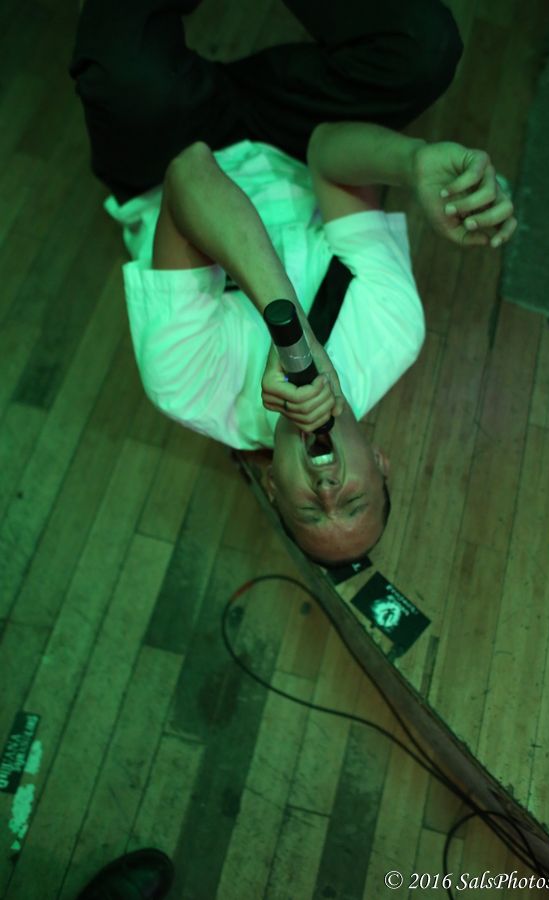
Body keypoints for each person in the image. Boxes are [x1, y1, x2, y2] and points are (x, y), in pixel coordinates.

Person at [71, 2, 518, 898]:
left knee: (126, 68)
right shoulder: (392, 336)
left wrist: (290, 336)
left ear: (272, 487)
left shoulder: (190, 389)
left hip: (169, 146)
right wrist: (414, 162)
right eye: (352, 497)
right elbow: (331, 157)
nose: (326, 486)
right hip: (287, 132)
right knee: (424, 47)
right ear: (379, 462)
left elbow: (191, 173)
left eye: (311, 506)